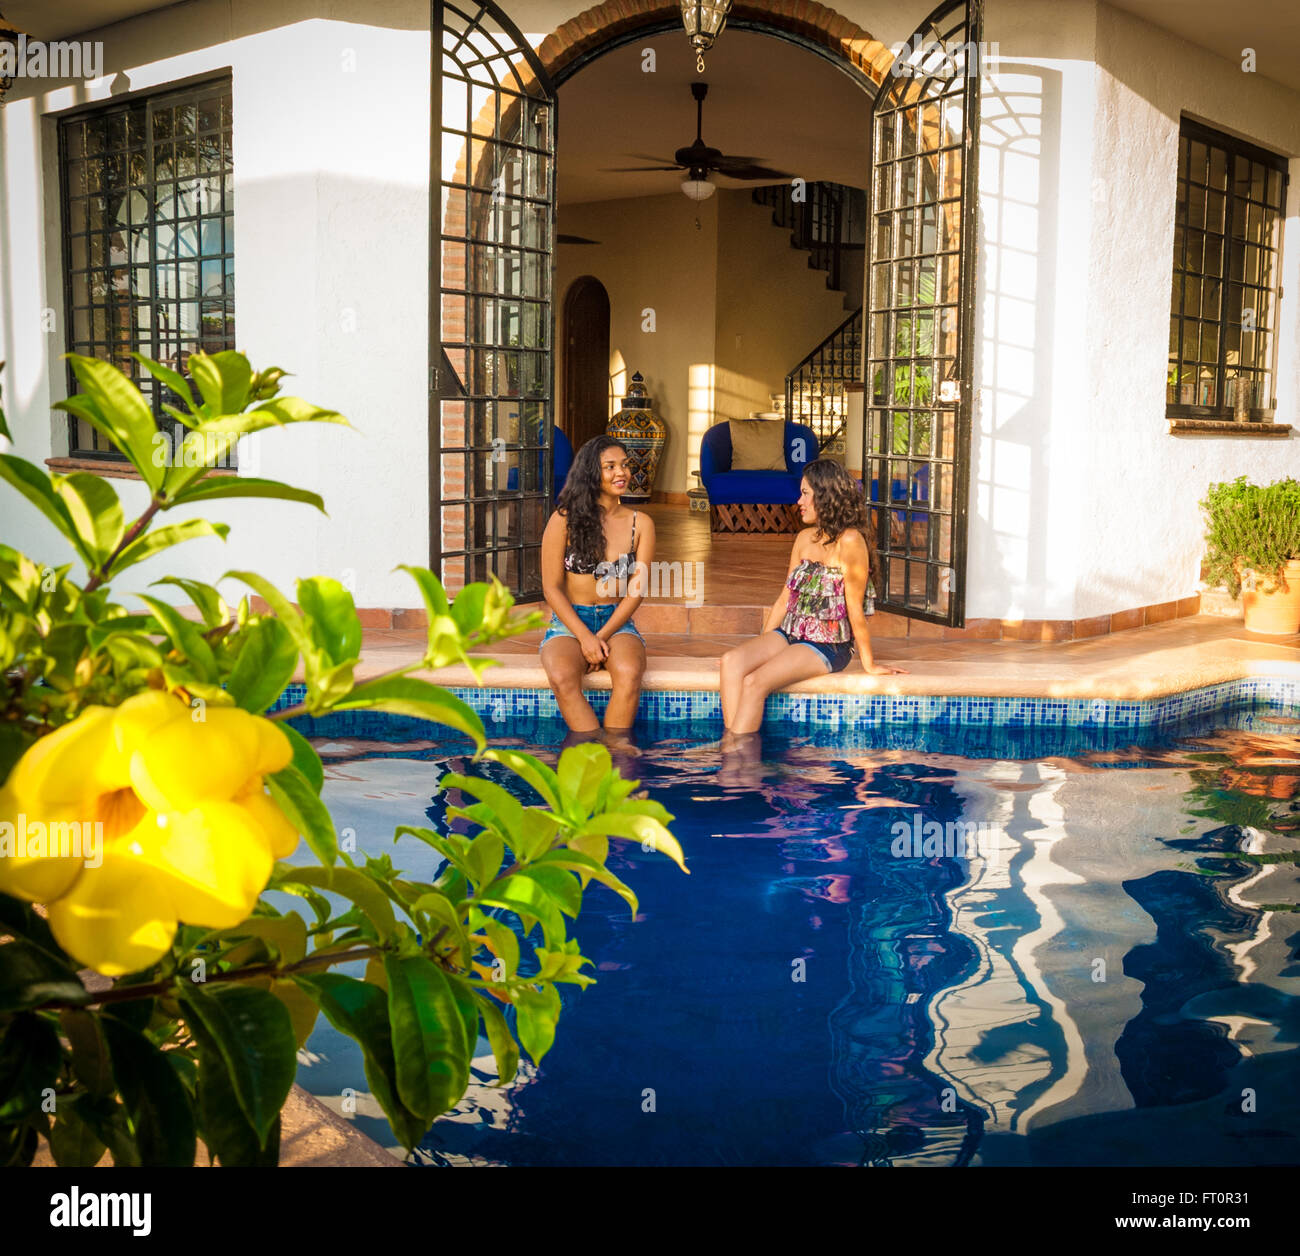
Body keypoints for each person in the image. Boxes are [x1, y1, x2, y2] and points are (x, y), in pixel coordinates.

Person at [719, 458, 907, 736]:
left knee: (755, 682)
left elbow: (854, 608)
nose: (799, 501)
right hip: (790, 633)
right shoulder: (805, 538)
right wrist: (762, 644)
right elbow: (786, 597)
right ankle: (733, 744)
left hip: (827, 645)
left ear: (826, 496)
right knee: (731, 662)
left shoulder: (851, 541)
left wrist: (869, 663)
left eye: (805, 493)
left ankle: (735, 757)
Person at [539, 434, 655, 737]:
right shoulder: (563, 520)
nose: (622, 473)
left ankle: (615, 753)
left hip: (616, 622)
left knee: (629, 674)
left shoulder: (640, 523)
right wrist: (583, 637)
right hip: (569, 622)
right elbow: (551, 587)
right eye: (610, 466)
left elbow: (636, 591)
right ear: (592, 472)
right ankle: (591, 750)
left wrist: (600, 637)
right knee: (563, 676)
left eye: (625, 465)